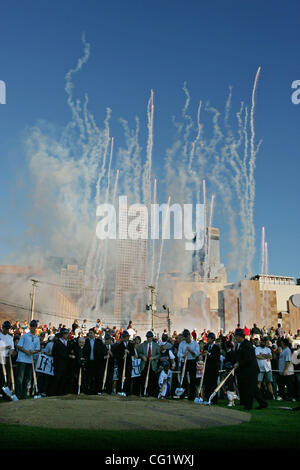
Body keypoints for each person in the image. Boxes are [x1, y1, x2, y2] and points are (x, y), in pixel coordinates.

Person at [233, 328, 267, 410]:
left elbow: (247, 358)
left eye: (236, 336)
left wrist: (239, 363)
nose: (235, 338)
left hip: (250, 370)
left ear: (241, 336)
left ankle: (249, 405)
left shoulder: (247, 345)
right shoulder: (240, 345)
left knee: (250, 388)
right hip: (246, 370)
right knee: (253, 389)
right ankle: (263, 403)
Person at [15, 320, 41, 400]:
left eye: (34, 326)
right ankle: (18, 395)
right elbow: (18, 346)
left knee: (27, 379)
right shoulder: (24, 336)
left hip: (30, 360)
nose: (33, 328)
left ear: (36, 327)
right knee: (20, 378)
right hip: (22, 359)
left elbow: (38, 349)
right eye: (32, 326)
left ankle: (23, 395)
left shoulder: (37, 338)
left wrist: (33, 351)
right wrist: (26, 351)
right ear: (30, 327)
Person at [177, 329, 200, 401]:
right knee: (183, 377)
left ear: (189, 336)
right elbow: (178, 353)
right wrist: (183, 355)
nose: (186, 338)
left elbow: (197, 354)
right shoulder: (182, 343)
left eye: (187, 337)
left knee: (192, 379)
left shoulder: (195, 343)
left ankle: (191, 396)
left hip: (192, 361)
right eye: (185, 337)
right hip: (184, 361)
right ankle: (182, 394)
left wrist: (190, 351)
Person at [83, 328, 106, 396]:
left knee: (97, 377)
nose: (90, 334)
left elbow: (103, 351)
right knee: (88, 377)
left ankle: (97, 390)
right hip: (88, 362)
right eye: (89, 333)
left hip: (97, 362)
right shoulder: (86, 341)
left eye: (91, 333)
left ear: (94, 334)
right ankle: (88, 390)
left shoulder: (99, 341)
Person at [51, 327, 74, 396]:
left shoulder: (68, 343)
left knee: (64, 378)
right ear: (62, 334)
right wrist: (68, 356)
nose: (67, 335)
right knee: (57, 378)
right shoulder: (57, 342)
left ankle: (62, 392)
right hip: (58, 363)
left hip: (66, 364)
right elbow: (56, 353)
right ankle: (54, 392)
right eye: (66, 334)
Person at [139, 331, 161, 397]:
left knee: (152, 379)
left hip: (152, 364)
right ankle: (143, 392)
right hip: (144, 363)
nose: (149, 339)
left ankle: (151, 393)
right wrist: (142, 356)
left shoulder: (156, 345)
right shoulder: (143, 345)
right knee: (143, 378)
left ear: (152, 338)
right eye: (147, 337)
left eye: (150, 337)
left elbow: (159, 354)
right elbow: (139, 353)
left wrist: (153, 357)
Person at [113, 330, 135, 396]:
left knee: (128, 377)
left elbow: (133, 353)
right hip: (121, 364)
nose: (126, 338)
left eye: (127, 337)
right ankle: (119, 390)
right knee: (120, 377)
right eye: (124, 337)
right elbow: (117, 354)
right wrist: (122, 356)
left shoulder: (131, 345)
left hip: (128, 364)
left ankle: (127, 391)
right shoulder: (120, 345)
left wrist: (128, 352)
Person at [203, 332, 220, 404]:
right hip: (207, 368)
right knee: (207, 383)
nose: (207, 339)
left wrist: (209, 354)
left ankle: (214, 399)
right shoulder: (205, 347)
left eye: (209, 338)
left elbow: (216, 357)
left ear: (213, 339)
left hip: (214, 368)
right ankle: (207, 397)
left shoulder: (216, 348)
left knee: (213, 384)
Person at [0, 321, 14, 390]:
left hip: (7, 358)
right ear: (2, 327)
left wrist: (11, 352)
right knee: (1, 375)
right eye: (5, 328)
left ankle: (6, 391)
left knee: (8, 375)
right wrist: (5, 347)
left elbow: (12, 348)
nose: (7, 330)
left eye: (8, 329)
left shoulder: (10, 337)